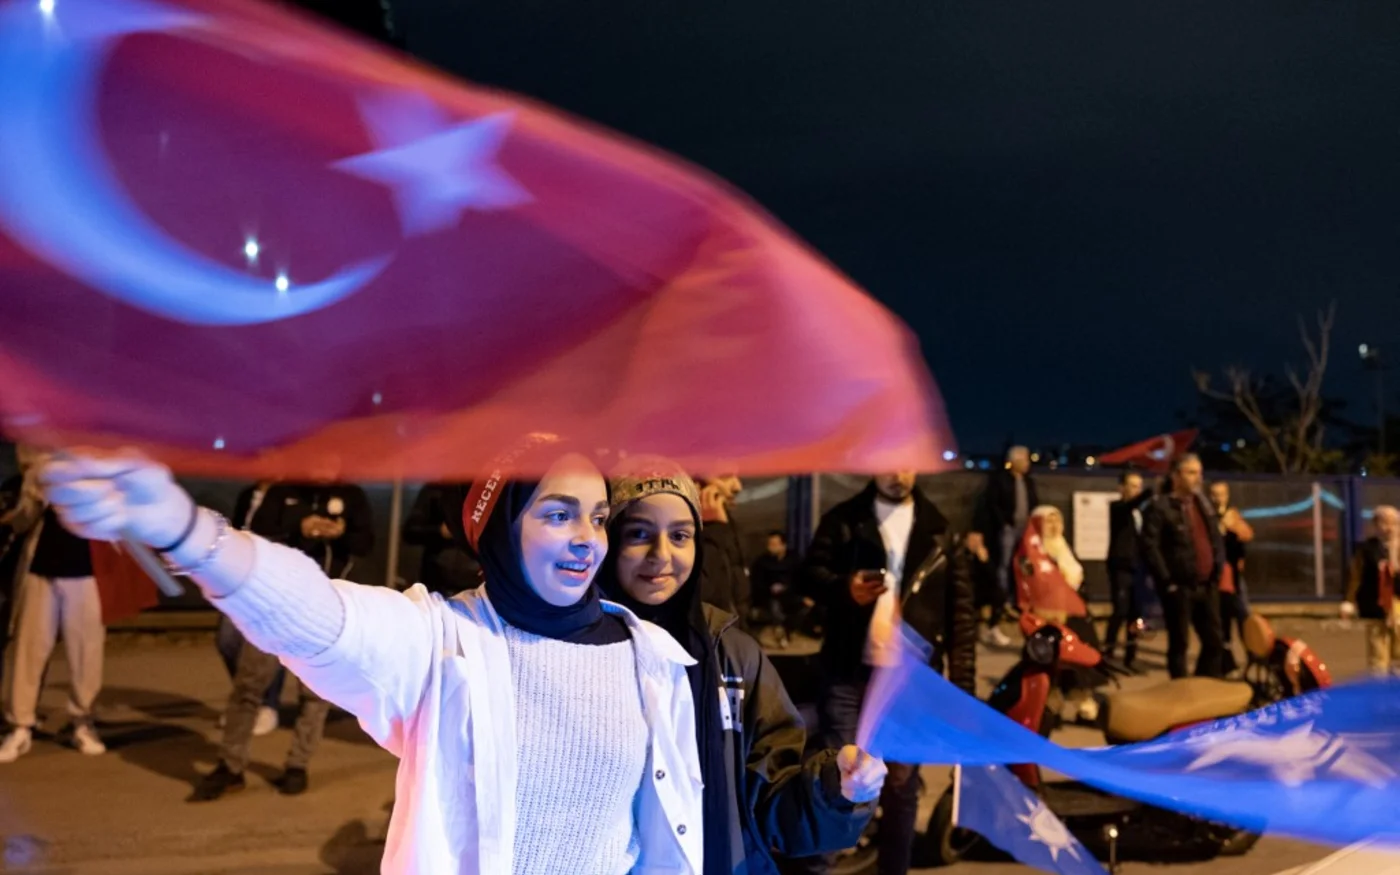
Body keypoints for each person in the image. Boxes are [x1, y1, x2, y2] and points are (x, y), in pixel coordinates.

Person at [38, 438, 703, 875]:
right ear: (498, 529)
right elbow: (319, 615)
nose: (588, 539)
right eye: (557, 515)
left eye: (596, 516)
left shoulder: (650, 659)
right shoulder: (441, 641)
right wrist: (185, 529)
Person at [599, 459, 886, 874]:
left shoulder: (733, 655)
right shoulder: (579, 655)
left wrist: (836, 788)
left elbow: (773, 803)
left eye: (680, 535)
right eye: (639, 534)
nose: (661, 555)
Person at [798, 472, 976, 875]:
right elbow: (808, 575)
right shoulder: (845, 519)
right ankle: (818, 867)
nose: (898, 473)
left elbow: (961, 619)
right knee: (839, 777)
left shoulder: (941, 531)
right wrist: (844, 589)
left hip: (909, 683)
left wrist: (962, 693)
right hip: (848, 674)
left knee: (900, 788)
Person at [193, 478, 376, 800]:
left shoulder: (352, 494)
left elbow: (366, 542)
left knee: (315, 694)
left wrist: (341, 532)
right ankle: (230, 765)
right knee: (249, 685)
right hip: (275, 602)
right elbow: (255, 533)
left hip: (326, 606)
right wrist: (300, 525)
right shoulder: (284, 491)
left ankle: (297, 765)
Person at [0, 447, 107, 762]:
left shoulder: (97, 464)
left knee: (86, 650)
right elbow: (22, 522)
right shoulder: (39, 466)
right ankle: (21, 725)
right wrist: (32, 494)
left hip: (86, 570)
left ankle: (82, 721)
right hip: (41, 568)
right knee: (29, 649)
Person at [1142, 454, 1226, 679]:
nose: (1197, 478)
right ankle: (1180, 696)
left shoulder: (1203, 504)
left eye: (1199, 472)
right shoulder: (1160, 507)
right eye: (1191, 472)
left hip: (1206, 585)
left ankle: (1204, 688)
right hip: (1179, 588)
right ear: (1176, 476)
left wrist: (1217, 569)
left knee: (1215, 642)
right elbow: (1150, 547)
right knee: (1180, 644)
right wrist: (1167, 581)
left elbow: (1214, 539)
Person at [214, 480, 287, 738]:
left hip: (270, 574)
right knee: (227, 640)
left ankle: (267, 704)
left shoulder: (287, 493)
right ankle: (245, 700)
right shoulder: (248, 493)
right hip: (239, 573)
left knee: (267, 646)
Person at [969, 446, 1039, 647]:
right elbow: (992, 505)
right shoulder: (1000, 480)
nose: (1027, 463)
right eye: (1024, 459)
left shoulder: (1028, 481)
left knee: (1019, 566)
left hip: (1024, 530)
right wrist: (1004, 523)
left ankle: (1013, 599)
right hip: (1005, 530)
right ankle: (1001, 600)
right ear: (1014, 460)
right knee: (1002, 567)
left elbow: (1033, 502)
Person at [1341, 505, 1400, 674]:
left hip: (1398, 604)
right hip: (1376, 603)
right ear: (1375, 525)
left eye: (1394, 523)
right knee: (1378, 647)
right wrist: (1349, 601)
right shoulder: (1367, 549)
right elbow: (1355, 575)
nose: (1389, 528)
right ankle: (1378, 686)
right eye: (1384, 523)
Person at [402, 481, 480, 596]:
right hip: (436, 581)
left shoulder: (489, 492)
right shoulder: (435, 489)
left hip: (474, 583)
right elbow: (410, 532)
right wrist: (440, 531)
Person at [1209, 481, 1255, 674]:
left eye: (1222, 494)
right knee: (1223, 619)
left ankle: (1252, 653)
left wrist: (1232, 527)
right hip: (1218, 576)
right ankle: (1226, 660)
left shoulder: (1233, 515)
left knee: (1243, 615)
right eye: (1215, 494)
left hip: (1233, 575)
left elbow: (1246, 535)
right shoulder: (1209, 517)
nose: (1219, 498)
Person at [1105, 471, 1149, 669]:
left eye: (1139, 486)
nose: (1136, 490)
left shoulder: (1143, 512)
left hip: (1138, 567)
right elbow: (1131, 504)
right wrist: (1149, 492)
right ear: (1121, 488)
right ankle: (1108, 652)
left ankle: (1130, 657)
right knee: (1120, 611)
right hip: (1121, 566)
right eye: (1132, 485)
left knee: (1136, 614)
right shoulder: (1118, 508)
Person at [698, 474, 751, 627]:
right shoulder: (695, 533)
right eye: (726, 476)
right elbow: (707, 589)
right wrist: (713, 529)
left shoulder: (726, 523)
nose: (737, 487)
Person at [749, 530, 801, 648]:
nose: (770, 547)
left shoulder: (794, 560)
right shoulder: (762, 562)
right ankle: (780, 634)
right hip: (770, 597)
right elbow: (757, 582)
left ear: (783, 545)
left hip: (792, 595)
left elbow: (800, 578)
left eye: (774, 544)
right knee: (775, 608)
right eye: (769, 544)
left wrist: (786, 587)